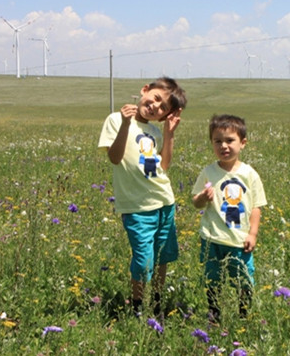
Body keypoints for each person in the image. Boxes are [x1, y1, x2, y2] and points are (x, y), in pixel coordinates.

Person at [97, 76, 187, 317]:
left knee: (162, 256)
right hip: (136, 207)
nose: (156, 106)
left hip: (164, 201)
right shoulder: (116, 120)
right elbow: (114, 158)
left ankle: (156, 301)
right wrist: (126, 125)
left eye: (163, 108)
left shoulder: (155, 131)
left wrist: (169, 135)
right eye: (156, 98)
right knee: (143, 259)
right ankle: (138, 305)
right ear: (145, 90)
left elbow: (163, 166)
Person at [192, 114, 266, 322]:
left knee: (243, 279)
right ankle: (214, 314)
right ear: (212, 143)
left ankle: (243, 316)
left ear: (242, 143)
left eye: (229, 140)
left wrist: (252, 233)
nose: (223, 146)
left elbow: (256, 207)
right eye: (218, 141)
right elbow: (195, 202)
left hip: (239, 239)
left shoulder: (250, 174)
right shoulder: (208, 172)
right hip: (212, 237)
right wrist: (202, 198)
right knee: (213, 278)